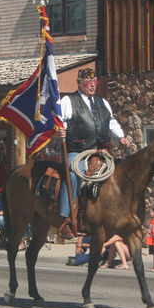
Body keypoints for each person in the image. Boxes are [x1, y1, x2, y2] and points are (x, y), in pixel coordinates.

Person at [56, 68, 129, 239]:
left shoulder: (103, 103)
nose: (92, 85)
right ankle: (66, 217)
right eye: (88, 82)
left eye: (94, 82)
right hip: (78, 150)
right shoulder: (68, 100)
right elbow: (62, 122)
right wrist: (61, 131)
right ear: (79, 83)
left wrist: (121, 137)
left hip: (101, 150)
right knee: (73, 174)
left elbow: (111, 122)